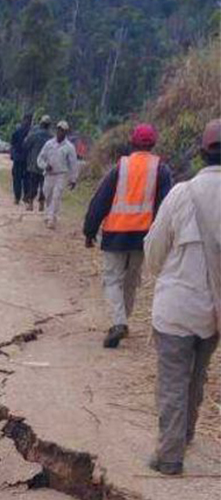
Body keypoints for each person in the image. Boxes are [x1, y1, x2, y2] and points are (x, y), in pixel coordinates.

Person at [144, 119, 221, 476]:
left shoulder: (181, 193)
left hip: (177, 307)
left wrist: (161, 273)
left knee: (174, 379)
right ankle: (186, 433)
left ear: (203, 153)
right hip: (215, 311)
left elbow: (155, 248)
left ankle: (171, 455)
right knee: (197, 375)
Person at [83, 124, 173, 349]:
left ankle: (118, 322)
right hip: (143, 237)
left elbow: (101, 200)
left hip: (116, 233)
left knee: (112, 279)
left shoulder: (121, 167)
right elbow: (167, 208)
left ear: (131, 142)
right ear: (153, 144)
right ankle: (122, 320)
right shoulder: (161, 170)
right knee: (131, 281)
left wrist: (89, 230)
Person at [37, 121, 79, 229]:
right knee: (48, 195)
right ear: (56, 130)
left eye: (63, 131)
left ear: (66, 132)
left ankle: (52, 218)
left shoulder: (69, 147)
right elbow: (40, 158)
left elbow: (73, 164)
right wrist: (45, 166)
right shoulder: (49, 144)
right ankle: (48, 214)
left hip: (61, 175)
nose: (60, 132)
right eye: (59, 130)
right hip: (49, 175)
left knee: (56, 196)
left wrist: (73, 179)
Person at [23, 115, 53, 212]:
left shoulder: (34, 135)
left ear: (40, 124)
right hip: (46, 166)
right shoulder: (52, 137)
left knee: (33, 185)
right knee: (44, 186)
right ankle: (41, 205)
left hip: (34, 165)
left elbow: (26, 145)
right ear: (49, 126)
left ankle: (30, 204)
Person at [10, 113, 34, 205]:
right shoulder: (32, 133)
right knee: (26, 179)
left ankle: (18, 197)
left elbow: (12, 145)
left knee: (18, 179)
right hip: (26, 159)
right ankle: (24, 197)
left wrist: (13, 155)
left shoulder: (17, 131)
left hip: (19, 159)